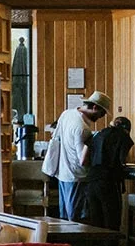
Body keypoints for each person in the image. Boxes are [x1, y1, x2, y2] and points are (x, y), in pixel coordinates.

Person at [41, 93, 109, 221]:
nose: (101, 117)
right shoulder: (83, 128)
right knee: (76, 220)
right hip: (77, 177)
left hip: (62, 173)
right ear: (95, 107)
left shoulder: (66, 114)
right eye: (102, 113)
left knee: (64, 219)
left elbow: (56, 138)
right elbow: (82, 160)